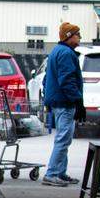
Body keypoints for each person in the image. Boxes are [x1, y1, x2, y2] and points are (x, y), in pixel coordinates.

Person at [42, 22, 86, 186]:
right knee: (63, 139)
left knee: (64, 138)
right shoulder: (67, 54)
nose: (80, 37)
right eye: (77, 34)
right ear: (69, 36)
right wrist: (78, 101)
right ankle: (52, 173)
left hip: (57, 101)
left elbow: (47, 79)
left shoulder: (56, 51)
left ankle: (60, 172)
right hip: (65, 102)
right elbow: (67, 80)